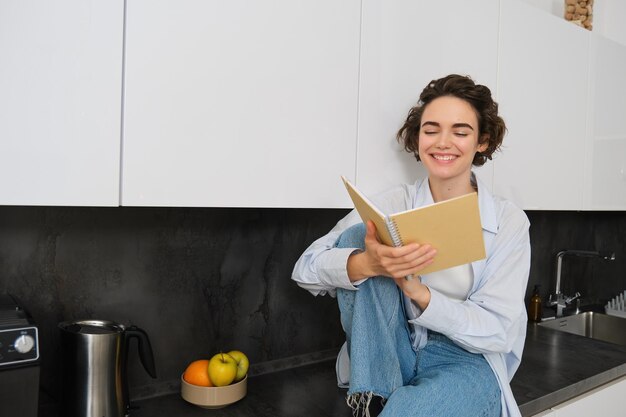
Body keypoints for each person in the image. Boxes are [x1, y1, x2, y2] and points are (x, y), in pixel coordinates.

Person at [291, 74, 531, 417]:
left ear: (482, 141)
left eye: (460, 132)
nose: (443, 142)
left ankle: (385, 405)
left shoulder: (508, 222)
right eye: (431, 130)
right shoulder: (393, 203)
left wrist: (421, 295)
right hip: (389, 352)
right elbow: (306, 269)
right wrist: (369, 265)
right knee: (360, 236)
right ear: (418, 138)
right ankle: (374, 396)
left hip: (465, 360)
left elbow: (497, 331)